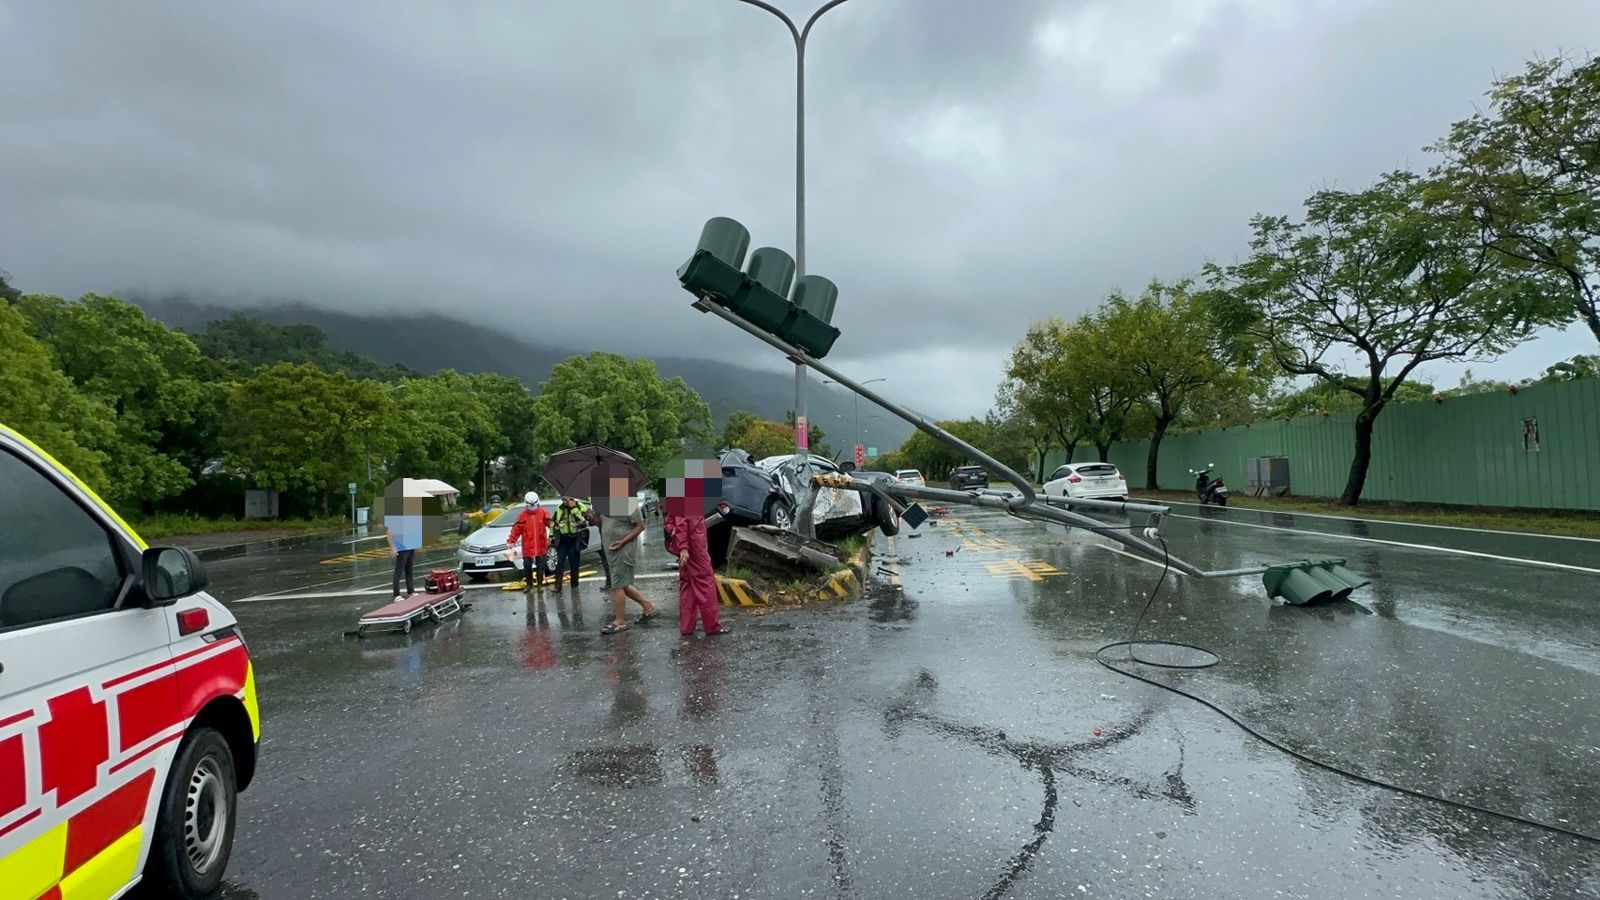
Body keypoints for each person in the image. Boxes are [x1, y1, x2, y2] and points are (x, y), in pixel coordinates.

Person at [598, 473, 658, 634]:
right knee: (622, 583)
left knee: (617, 585)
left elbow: (640, 526)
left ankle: (620, 621)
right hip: (611, 550)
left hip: (623, 549)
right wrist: (593, 518)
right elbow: (604, 524)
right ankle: (648, 606)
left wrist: (622, 541)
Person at [664, 508, 725, 637]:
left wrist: (681, 544)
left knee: (687, 584)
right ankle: (712, 626)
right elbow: (682, 519)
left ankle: (687, 627)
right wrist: (683, 547)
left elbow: (673, 516)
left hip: (690, 540)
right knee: (705, 581)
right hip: (694, 542)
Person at [507, 491, 553, 590]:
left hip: (541, 545)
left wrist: (552, 534)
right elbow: (516, 529)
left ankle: (540, 585)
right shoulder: (522, 516)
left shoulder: (544, 513)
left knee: (541, 567)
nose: (532, 508)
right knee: (527, 566)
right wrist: (511, 540)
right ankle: (529, 585)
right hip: (528, 545)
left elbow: (551, 524)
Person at [550, 495, 592, 589]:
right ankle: (558, 587)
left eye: (566, 499)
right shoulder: (559, 508)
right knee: (560, 562)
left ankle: (574, 585)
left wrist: (573, 508)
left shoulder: (580, 507)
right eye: (563, 499)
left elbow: (584, 522)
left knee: (574, 563)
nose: (564, 501)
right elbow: (553, 523)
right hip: (563, 539)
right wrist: (551, 536)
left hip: (575, 538)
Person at [386, 495, 422, 601]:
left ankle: (411, 591)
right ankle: (396, 594)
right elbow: (389, 532)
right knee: (399, 571)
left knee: (409, 570)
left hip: (410, 546)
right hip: (401, 548)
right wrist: (392, 547)